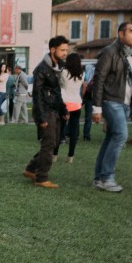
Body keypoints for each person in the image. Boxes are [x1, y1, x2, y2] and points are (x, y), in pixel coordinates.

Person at [90, 22, 132, 192]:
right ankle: (107, 177)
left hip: (125, 103)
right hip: (110, 100)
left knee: (111, 137)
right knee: (121, 135)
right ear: (121, 34)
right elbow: (99, 80)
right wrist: (96, 108)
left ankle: (99, 178)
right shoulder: (109, 52)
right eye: (131, 31)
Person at [22, 36, 70, 188]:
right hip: (46, 111)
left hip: (54, 109)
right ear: (52, 49)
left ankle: (30, 169)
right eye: (62, 50)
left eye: (66, 50)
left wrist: (63, 109)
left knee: (53, 143)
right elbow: (36, 94)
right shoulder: (42, 69)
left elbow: (56, 92)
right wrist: (41, 116)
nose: (65, 53)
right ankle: (41, 178)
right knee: (49, 144)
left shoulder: (57, 67)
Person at [53, 52, 84, 165]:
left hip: (64, 103)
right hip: (76, 103)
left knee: (59, 130)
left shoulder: (64, 72)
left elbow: (59, 84)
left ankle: (55, 155)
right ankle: (70, 156)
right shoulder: (82, 74)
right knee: (74, 131)